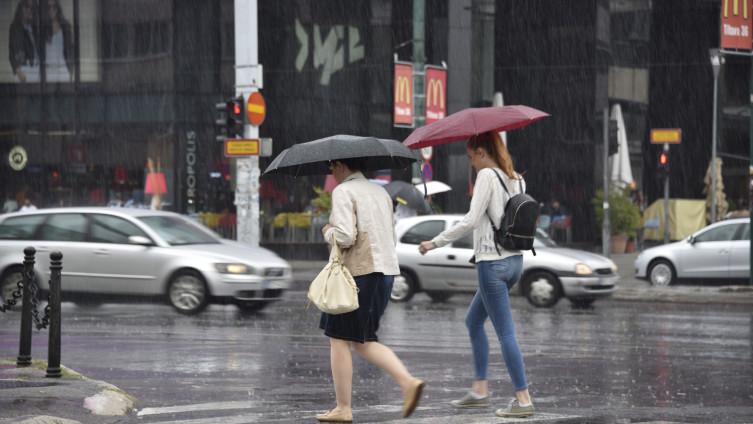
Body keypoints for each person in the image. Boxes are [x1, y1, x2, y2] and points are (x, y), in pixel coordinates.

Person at [417, 131, 534, 419]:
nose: (471, 164)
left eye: (471, 158)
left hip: (491, 264)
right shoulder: (518, 178)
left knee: (506, 333)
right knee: (473, 321)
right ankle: (480, 390)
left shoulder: (486, 177)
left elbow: (470, 220)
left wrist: (435, 242)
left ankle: (523, 399)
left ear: (482, 153)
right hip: (515, 262)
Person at [316, 158, 424, 422]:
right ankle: (407, 382)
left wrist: (328, 231)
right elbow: (391, 235)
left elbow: (345, 236)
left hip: (359, 273)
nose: (332, 172)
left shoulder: (344, 191)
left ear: (341, 165)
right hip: (385, 272)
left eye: (332, 167)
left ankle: (344, 407)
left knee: (339, 338)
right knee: (362, 340)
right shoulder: (381, 192)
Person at [9, 0, 40, 83]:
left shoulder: (34, 28)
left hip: (37, 70)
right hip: (24, 71)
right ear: (21, 8)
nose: (29, 10)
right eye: (26, 7)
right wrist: (19, 72)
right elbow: (13, 52)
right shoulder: (16, 28)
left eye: (32, 8)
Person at [41, 0, 73, 82]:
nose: (51, 9)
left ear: (58, 8)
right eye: (49, 7)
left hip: (62, 69)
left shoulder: (65, 26)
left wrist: (70, 70)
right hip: (48, 71)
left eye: (54, 6)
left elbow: (70, 50)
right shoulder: (42, 27)